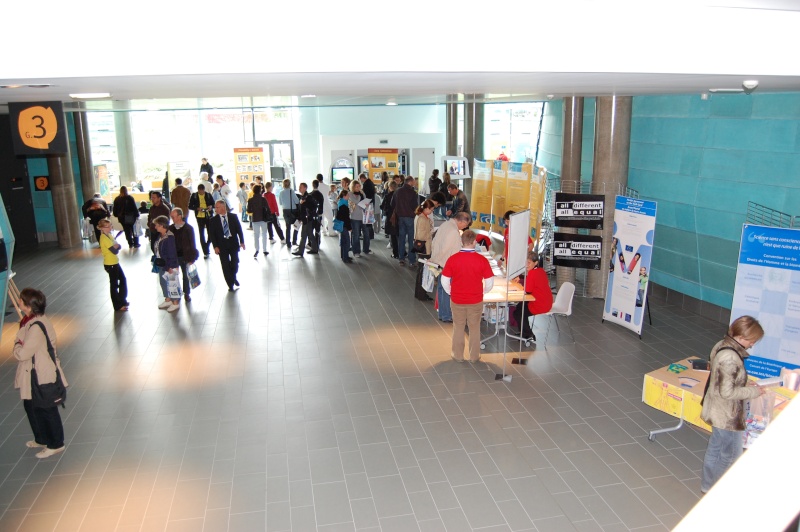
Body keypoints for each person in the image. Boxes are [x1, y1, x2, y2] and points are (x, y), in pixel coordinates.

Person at [700, 316, 766, 493]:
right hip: (727, 415)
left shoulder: (722, 344)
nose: (752, 345)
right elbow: (728, 392)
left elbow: (724, 379)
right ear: (742, 337)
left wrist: (745, 382)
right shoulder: (730, 357)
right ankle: (719, 491)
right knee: (730, 456)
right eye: (752, 340)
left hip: (716, 408)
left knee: (715, 449)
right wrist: (754, 392)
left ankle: (707, 486)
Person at [13, 288, 67, 459]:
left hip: (40, 374)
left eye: (21, 300)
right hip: (32, 373)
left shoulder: (35, 327)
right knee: (31, 405)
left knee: (46, 408)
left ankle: (56, 443)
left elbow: (22, 353)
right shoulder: (30, 321)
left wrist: (17, 344)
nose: (19, 302)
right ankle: (41, 438)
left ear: (28, 306)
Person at [441, 230, 495, 363]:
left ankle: (457, 355)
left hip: (457, 299)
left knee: (458, 327)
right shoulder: (482, 260)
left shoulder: (453, 259)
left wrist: (450, 292)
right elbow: (489, 282)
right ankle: (474, 356)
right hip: (475, 300)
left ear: (461, 242)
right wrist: (484, 292)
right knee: (474, 328)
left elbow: (444, 280)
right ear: (475, 242)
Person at [431, 212, 472, 322]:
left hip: (441, 262)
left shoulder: (445, 225)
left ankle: (442, 313)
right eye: (465, 224)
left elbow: (434, 242)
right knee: (446, 289)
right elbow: (445, 249)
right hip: (447, 264)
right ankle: (446, 315)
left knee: (441, 288)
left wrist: (434, 257)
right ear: (461, 221)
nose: (465, 227)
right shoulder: (453, 231)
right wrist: (436, 259)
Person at [511, 252, 553, 341]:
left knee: (519, 313)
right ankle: (523, 330)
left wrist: (521, 286)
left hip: (539, 304)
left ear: (536, 263)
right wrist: (522, 278)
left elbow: (528, 290)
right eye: (525, 262)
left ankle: (528, 335)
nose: (526, 265)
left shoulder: (532, 273)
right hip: (546, 301)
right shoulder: (540, 270)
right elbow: (532, 280)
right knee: (519, 306)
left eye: (529, 262)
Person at [209, 200, 246, 291]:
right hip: (222, 245)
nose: (215, 209)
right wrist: (215, 246)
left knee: (235, 263)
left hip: (233, 243)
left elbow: (239, 230)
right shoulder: (213, 220)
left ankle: (233, 277)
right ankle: (230, 284)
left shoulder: (233, 217)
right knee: (225, 265)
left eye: (217, 207)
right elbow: (212, 235)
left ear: (223, 207)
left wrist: (242, 241)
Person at [169, 208, 199, 302]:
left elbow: (192, 243)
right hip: (173, 256)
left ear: (180, 216)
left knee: (185, 276)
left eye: (173, 216)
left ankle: (187, 293)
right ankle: (175, 294)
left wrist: (192, 257)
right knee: (173, 276)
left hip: (184, 256)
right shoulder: (170, 228)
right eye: (171, 217)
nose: (172, 218)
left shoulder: (188, 228)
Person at [97, 219, 129, 311]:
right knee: (114, 284)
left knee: (123, 280)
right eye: (108, 226)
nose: (111, 227)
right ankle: (117, 305)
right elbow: (114, 250)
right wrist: (116, 246)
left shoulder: (109, 235)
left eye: (111, 225)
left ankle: (122, 300)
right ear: (102, 228)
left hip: (115, 262)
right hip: (110, 264)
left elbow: (118, 246)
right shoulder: (103, 238)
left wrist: (116, 246)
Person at [153, 215, 181, 312]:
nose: (155, 227)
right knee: (163, 282)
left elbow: (172, 253)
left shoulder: (169, 237)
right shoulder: (161, 236)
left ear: (162, 225)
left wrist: (171, 267)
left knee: (172, 284)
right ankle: (168, 299)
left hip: (169, 264)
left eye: (157, 225)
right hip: (162, 263)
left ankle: (175, 302)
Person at [392, 176, 419, 266]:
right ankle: (412, 260)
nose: (415, 183)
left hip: (400, 217)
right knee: (411, 240)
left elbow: (392, 203)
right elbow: (415, 206)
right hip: (410, 218)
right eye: (414, 182)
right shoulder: (413, 193)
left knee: (402, 239)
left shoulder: (398, 191)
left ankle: (401, 259)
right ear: (410, 182)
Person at [413, 200, 435, 301]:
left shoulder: (423, 217)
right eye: (431, 209)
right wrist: (430, 233)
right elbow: (421, 235)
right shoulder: (422, 219)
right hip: (424, 247)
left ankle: (420, 293)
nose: (432, 211)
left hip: (424, 247)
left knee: (422, 270)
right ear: (426, 209)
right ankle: (421, 294)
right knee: (423, 271)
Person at [188, 183, 215, 259]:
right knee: (201, 233)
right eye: (199, 191)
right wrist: (197, 208)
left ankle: (207, 245)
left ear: (204, 190)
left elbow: (213, 204)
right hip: (199, 217)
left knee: (210, 233)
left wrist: (211, 207)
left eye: (202, 191)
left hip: (208, 216)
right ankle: (205, 251)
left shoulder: (208, 195)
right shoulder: (194, 196)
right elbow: (190, 206)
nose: (201, 193)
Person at [293, 183, 319, 257]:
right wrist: (300, 218)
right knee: (309, 234)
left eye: (301, 187)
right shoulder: (303, 197)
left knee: (304, 235)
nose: (299, 188)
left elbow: (313, 206)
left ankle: (301, 251)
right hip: (305, 218)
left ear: (305, 188)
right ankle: (314, 248)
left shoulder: (308, 197)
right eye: (299, 187)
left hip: (307, 219)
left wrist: (304, 205)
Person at [246, 184, 271, 258]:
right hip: (263, 218)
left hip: (255, 219)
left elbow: (248, 210)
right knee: (264, 234)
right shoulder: (263, 199)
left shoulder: (250, 200)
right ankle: (264, 249)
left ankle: (257, 250)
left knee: (256, 235)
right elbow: (268, 209)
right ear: (260, 191)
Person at [349, 180, 371, 257]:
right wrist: (360, 195)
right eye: (357, 187)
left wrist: (363, 194)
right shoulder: (350, 194)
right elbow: (356, 202)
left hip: (364, 216)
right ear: (353, 187)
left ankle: (366, 249)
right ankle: (356, 251)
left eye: (359, 186)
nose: (358, 188)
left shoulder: (362, 193)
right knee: (356, 235)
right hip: (355, 217)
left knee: (367, 234)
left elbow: (365, 201)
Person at [279, 179, 300, 246]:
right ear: (290, 184)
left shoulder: (281, 192)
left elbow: (280, 203)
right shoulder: (292, 191)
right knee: (296, 226)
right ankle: (294, 241)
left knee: (288, 227)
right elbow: (297, 201)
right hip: (293, 211)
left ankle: (288, 242)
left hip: (285, 211)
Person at [381, 182, 399, 258]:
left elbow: (383, 207)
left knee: (393, 236)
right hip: (399, 217)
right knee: (400, 236)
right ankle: (402, 252)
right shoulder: (400, 196)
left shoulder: (387, 196)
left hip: (390, 218)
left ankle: (395, 253)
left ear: (390, 187)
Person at [336, 190, 353, 264]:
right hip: (344, 226)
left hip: (340, 225)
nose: (349, 197)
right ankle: (345, 257)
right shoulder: (344, 206)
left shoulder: (340, 203)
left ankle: (343, 256)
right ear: (344, 196)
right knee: (347, 242)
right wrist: (349, 228)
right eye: (348, 195)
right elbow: (346, 218)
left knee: (343, 241)